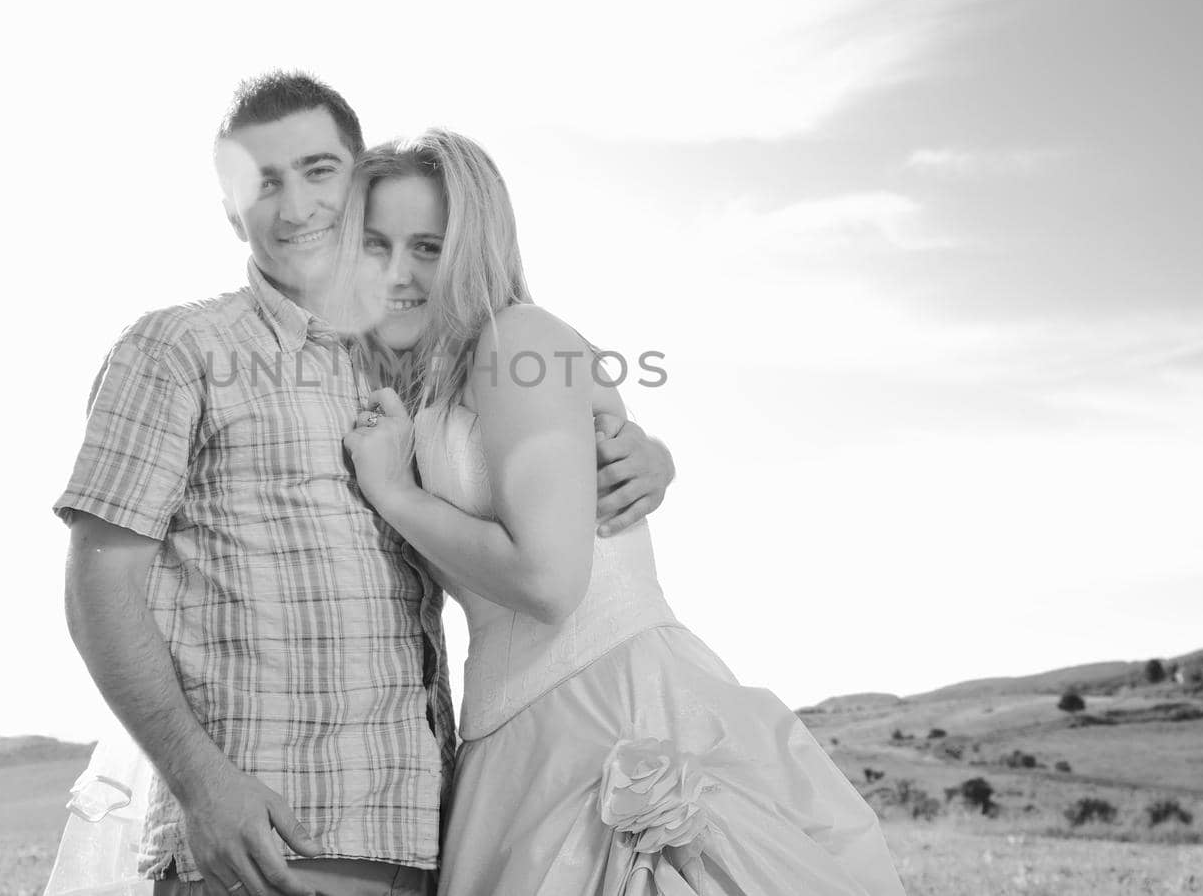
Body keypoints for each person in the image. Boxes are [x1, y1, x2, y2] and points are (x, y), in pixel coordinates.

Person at [49, 73, 677, 896]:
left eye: (317, 171)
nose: (295, 204)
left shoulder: (412, 376)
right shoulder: (178, 348)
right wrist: (203, 784)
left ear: (355, 182)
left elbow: (528, 472)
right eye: (261, 182)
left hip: (426, 838)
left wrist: (640, 449)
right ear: (229, 209)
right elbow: (99, 587)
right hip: (267, 842)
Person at [337, 129, 908, 895]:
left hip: (610, 709)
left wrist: (397, 493)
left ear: (476, 247)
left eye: (429, 247)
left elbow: (548, 580)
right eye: (377, 245)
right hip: (511, 738)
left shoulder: (518, 340)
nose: (398, 273)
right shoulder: (423, 385)